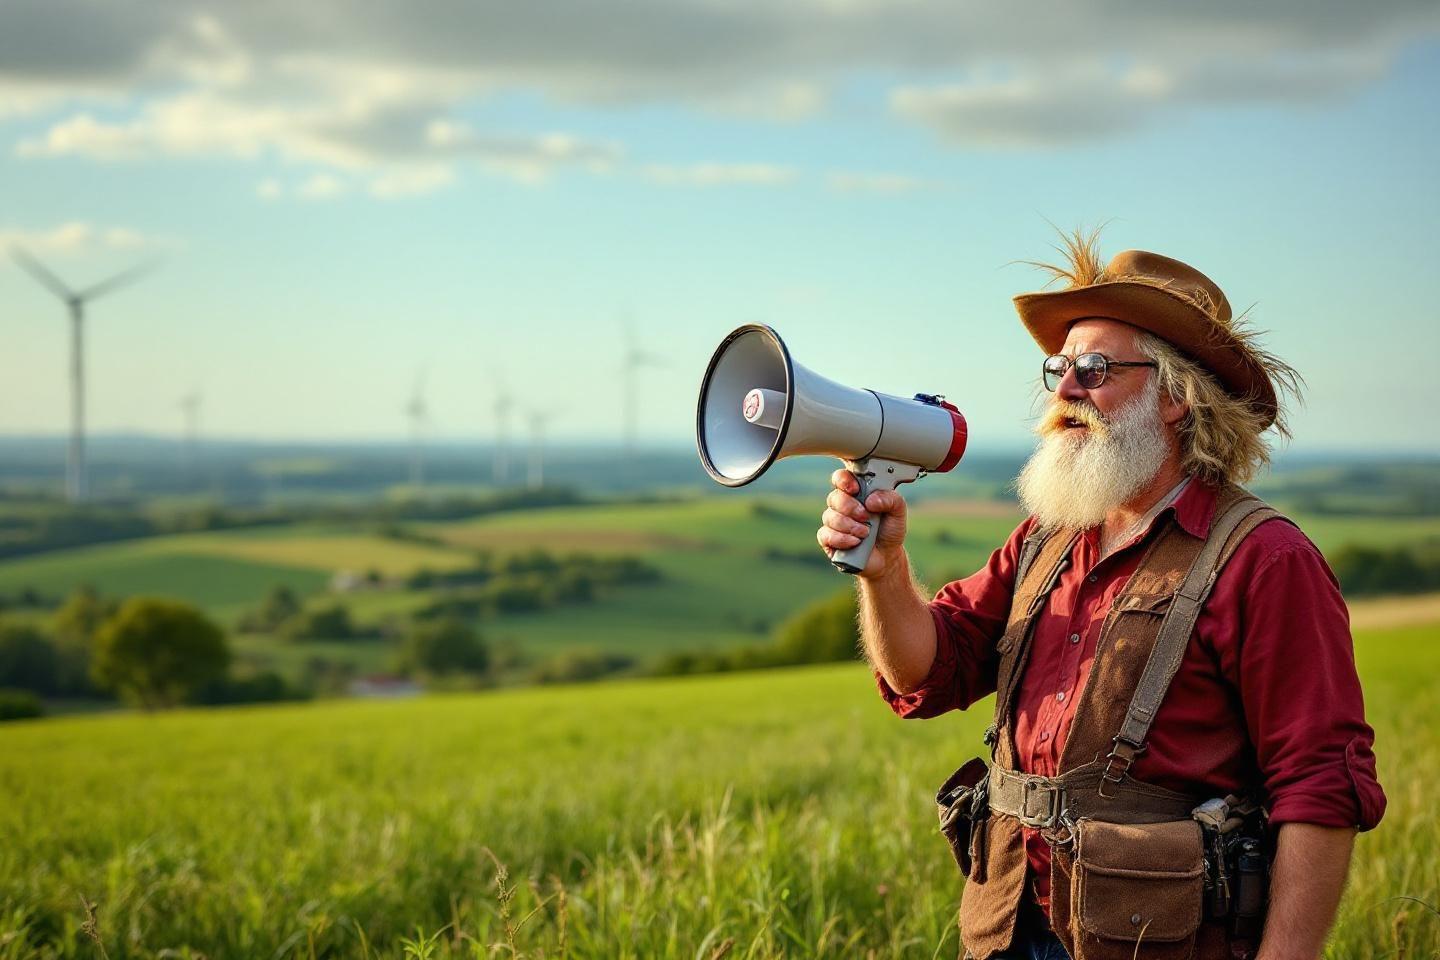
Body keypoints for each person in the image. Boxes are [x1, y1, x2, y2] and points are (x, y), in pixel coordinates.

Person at [816, 232, 1386, 960]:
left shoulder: (1267, 561)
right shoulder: (1045, 538)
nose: (1064, 391)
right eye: (1058, 368)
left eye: (1094, 369)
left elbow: (1320, 786)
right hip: (1005, 926)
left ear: (1177, 396)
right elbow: (925, 674)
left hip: (1162, 940)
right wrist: (885, 571)